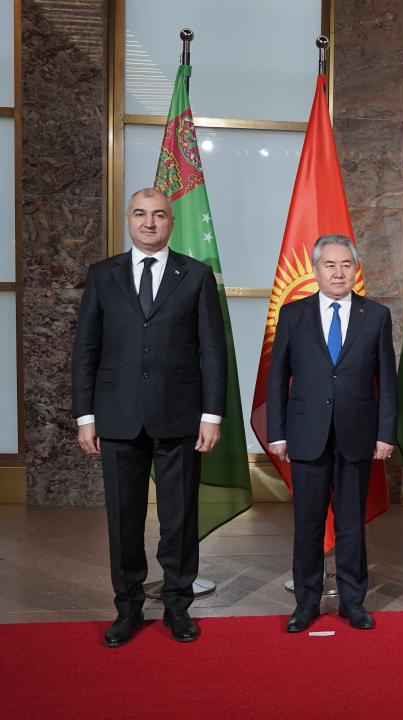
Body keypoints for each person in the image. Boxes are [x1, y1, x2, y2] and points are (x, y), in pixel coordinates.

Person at [72, 187, 227, 646]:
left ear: (171, 223)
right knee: (124, 520)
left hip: (180, 416)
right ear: (128, 220)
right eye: (140, 214)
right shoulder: (102, 275)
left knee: (179, 519)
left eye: (158, 215)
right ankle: (127, 609)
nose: (149, 222)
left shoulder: (196, 275)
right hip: (116, 417)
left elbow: (212, 351)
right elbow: (85, 350)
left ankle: (178, 606)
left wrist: (212, 414)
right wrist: (85, 416)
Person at [266, 234, 396, 632]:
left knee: (351, 525)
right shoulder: (294, 314)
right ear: (315, 270)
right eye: (330, 265)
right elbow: (278, 377)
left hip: (357, 435)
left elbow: (387, 381)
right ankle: (306, 603)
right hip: (306, 435)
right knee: (308, 525)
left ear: (355, 269)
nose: (338, 272)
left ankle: (353, 602)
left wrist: (385, 434)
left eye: (345, 265)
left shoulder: (375, 315)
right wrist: (277, 433)